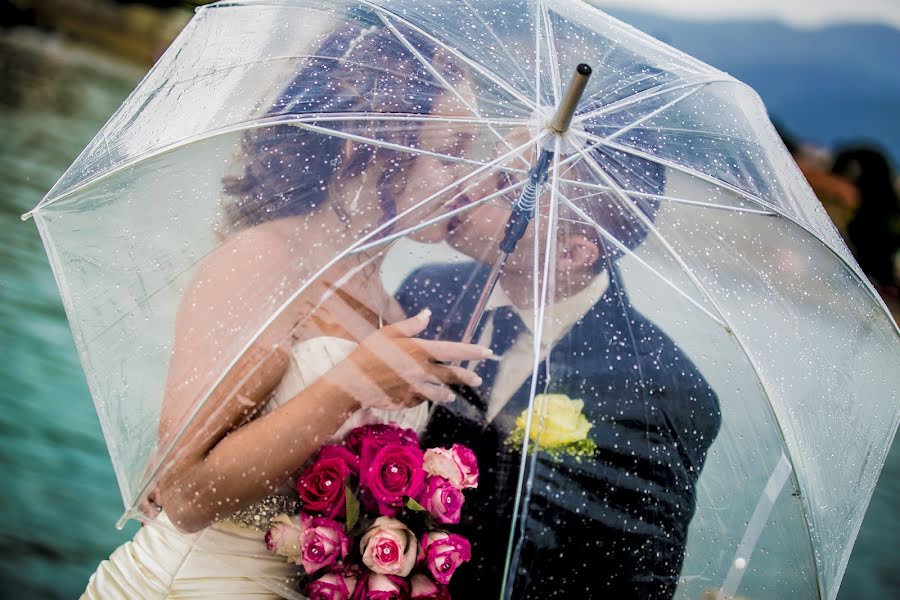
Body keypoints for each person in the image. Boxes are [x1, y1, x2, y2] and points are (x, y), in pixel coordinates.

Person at [82, 21, 490, 599]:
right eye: (451, 155)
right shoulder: (263, 263)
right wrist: (350, 382)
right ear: (373, 143)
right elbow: (186, 497)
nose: (469, 182)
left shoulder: (393, 310)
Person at [396, 138, 722, 598]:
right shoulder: (426, 292)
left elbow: (631, 587)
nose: (469, 186)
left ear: (572, 253)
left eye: (508, 187)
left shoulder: (662, 394)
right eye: (488, 165)